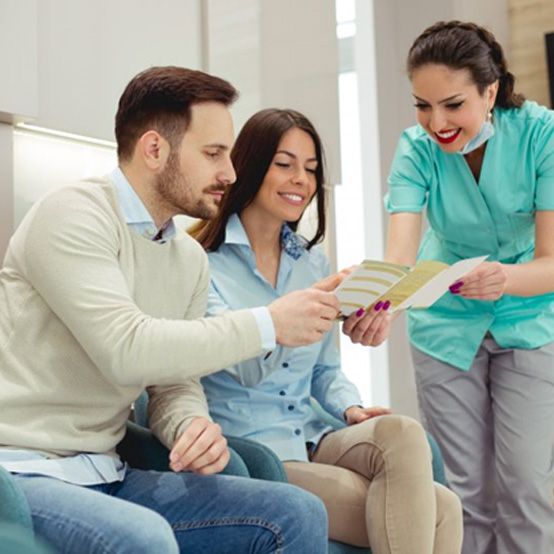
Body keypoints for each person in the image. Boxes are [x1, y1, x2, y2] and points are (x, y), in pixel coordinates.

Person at [0, 66, 341, 553]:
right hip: (20, 471)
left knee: (296, 512)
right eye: (213, 154)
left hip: (108, 471)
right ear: (155, 149)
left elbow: (174, 381)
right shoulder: (72, 214)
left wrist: (189, 425)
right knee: (144, 538)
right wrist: (269, 323)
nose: (230, 173)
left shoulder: (186, 258)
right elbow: (127, 348)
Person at [191, 108, 463, 554]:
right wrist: (295, 313)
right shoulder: (202, 264)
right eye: (285, 164)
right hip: (256, 451)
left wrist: (350, 408)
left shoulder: (311, 263)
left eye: (311, 169)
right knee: (442, 510)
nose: (301, 178)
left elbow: (324, 371)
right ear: (250, 165)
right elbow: (244, 370)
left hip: (315, 433)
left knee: (403, 433)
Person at [348, 20, 554, 554]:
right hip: (443, 321)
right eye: (422, 105)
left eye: (453, 105)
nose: (436, 122)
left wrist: (505, 278)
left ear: (491, 91)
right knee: (463, 492)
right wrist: (382, 307)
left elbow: (553, 261)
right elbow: (400, 254)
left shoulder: (541, 135)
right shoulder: (415, 150)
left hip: (530, 316)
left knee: (529, 487)